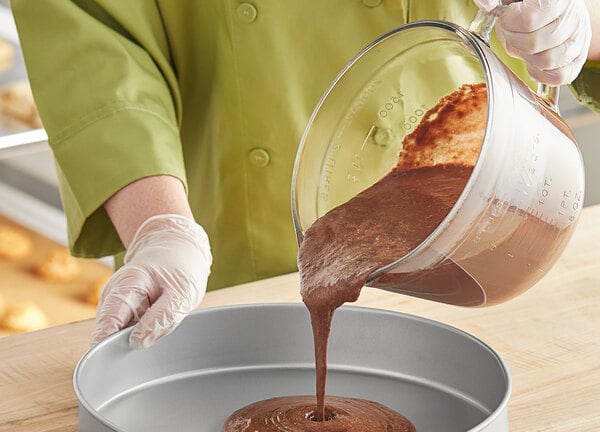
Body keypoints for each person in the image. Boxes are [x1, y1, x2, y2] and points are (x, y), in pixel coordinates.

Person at [12, 0, 600, 349]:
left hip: (477, 198)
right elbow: (91, 34)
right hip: (217, 251)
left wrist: (580, 18)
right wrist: (159, 226)